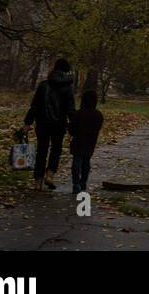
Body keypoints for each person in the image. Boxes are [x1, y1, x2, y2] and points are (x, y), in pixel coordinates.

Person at [24, 58, 75, 191]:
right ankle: (50, 175)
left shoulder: (43, 85)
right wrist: (73, 128)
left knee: (42, 150)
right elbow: (70, 110)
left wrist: (27, 123)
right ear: (66, 72)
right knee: (56, 150)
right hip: (59, 124)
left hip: (42, 123)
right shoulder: (67, 88)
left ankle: (37, 182)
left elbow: (34, 106)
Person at [69, 89, 103, 196]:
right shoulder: (98, 115)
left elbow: (72, 130)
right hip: (90, 142)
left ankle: (76, 184)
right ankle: (83, 182)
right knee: (86, 163)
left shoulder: (78, 114)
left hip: (78, 142)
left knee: (76, 163)